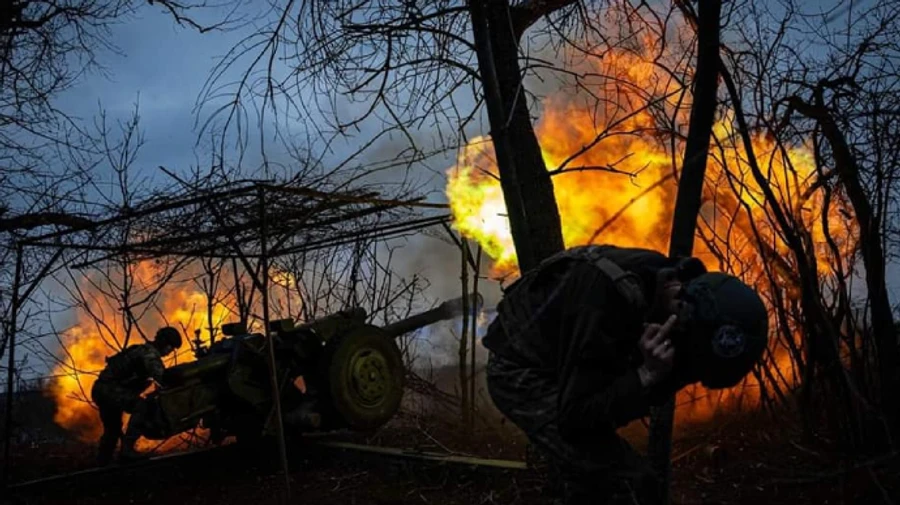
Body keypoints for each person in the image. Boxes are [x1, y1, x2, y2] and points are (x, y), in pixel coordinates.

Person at [483, 245, 768, 505]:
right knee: (626, 482)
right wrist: (644, 375)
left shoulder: (678, 292)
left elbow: (636, 393)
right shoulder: (608, 297)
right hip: (521, 369)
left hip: (573, 369)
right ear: (679, 316)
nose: (686, 372)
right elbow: (576, 417)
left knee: (603, 476)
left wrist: (648, 381)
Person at [90, 326, 183, 465]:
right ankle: (127, 450)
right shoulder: (149, 354)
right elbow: (162, 378)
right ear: (164, 342)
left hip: (101, 390)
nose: (170, 352)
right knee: (142, 406)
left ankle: (102, 462)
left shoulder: (141, 350)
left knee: (113, 429)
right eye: (171, 347)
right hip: (110, 390)